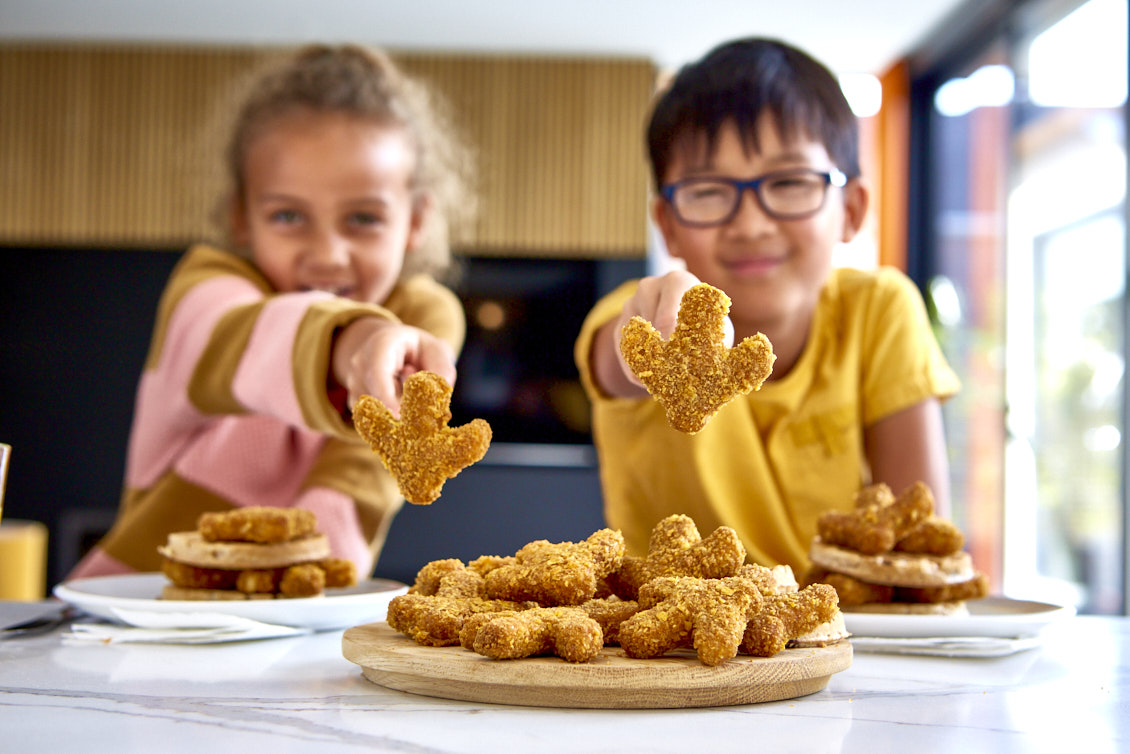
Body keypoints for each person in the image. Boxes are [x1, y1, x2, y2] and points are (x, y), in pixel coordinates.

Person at [69, 44, 475, 579]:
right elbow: (254, 340)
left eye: (362, 219)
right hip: (134, 611)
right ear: (241, 217)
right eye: (288, 215)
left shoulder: (422, 315)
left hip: (299, 614)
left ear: (416, 219)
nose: (328, 254)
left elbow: (354, 487)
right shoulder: (205, 293)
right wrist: (357, 342)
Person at [574, 38, 960, 573]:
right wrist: (645, 343)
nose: (751, 224)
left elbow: (919, 548)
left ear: (850, 210)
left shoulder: (879, 310)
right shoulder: (639, 313)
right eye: (708, 191)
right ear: (668, 226)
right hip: (670, 646)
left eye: (789, 182)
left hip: (843, 641)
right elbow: (616, 362)